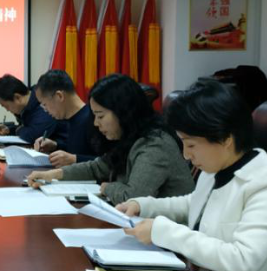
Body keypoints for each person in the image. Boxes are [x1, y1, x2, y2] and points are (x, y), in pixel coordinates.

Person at [115, 79, 267, 271]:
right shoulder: (216, 166)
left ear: (225, 138)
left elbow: (241, 261)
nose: (186, 155)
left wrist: (163, 231)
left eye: (191, 144)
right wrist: (145, 206)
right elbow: (194, 204)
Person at [27, 73, 194, 204]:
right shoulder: (128, 137)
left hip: (167, 233)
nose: (96, 123)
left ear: (123, 113)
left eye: (100, 116)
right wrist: (52, 175)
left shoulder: (155, 143)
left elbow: (133, 197)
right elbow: (96, 168)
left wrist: (107, 187)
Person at [29, 69, 96, 166]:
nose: (45, 110)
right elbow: (77, 149)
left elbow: (108, 163)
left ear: (59, 96)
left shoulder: (94, 120)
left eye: (44, 104)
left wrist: (75, 159)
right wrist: (55, 145)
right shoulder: (69, 118)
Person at [0, 74, 67, 145]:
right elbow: (26, 128)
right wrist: (9, 130)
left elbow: (33, 136)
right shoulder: (27, 106)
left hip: (66, 150)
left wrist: (18, 130)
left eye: (6, 106)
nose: (7, 110)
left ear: (17, 97)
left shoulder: (42, 102)